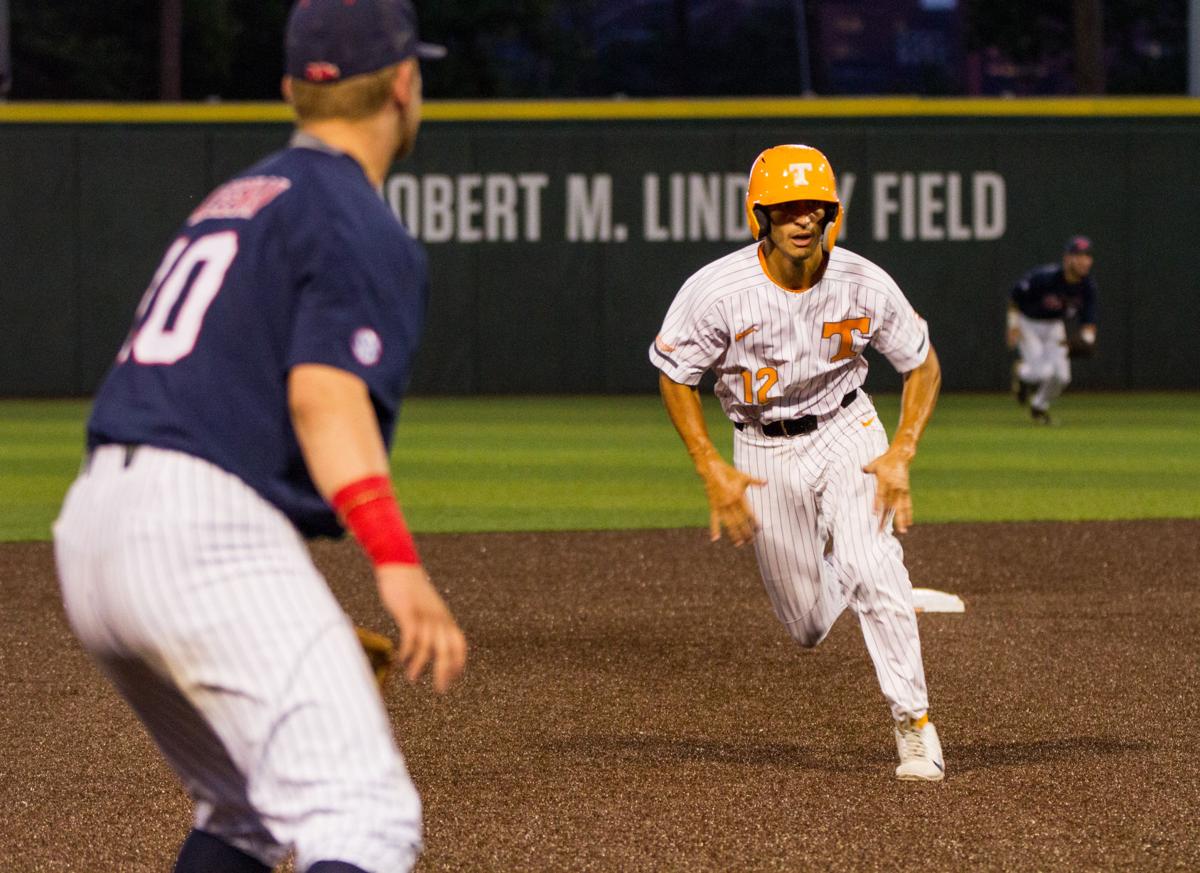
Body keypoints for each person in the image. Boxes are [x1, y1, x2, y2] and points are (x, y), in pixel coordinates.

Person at [52, 2, 467, 871]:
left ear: (291, 89)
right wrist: (395, 559)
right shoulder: (355, 217)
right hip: (198, 532)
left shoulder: (238, 197)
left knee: (244, 807)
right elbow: (323, 399)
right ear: (403, 82)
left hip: (92, 528)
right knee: (364, 817)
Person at [650, 144, 945, 782]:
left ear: (832, 212)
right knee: (808, 626)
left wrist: (903, 448)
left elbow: (921, 363)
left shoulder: (864, 280)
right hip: (760, 447)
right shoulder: (716, 292)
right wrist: (708, 465)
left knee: (872, 563)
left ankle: (913, 723)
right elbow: (676, 376)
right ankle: (865, 568)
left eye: (815, 206)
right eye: (786, 209)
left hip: (846, 426)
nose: (803, 219)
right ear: (761, 215)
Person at [1007, 235, 1098, 424]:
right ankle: (1022, 372)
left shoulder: (1087, 287)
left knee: (1062, 377)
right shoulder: (1045, 277)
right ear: (1067, 259)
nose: (1084, 260)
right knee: (1043, 373)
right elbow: (1015, 298)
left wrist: (1086, 341)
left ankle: (1039, 406)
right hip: (1029, 323)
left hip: (1055, 326)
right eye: (1078, 255)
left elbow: (1088, 324)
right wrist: (1013, 325)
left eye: (1087, 256)